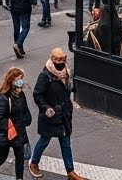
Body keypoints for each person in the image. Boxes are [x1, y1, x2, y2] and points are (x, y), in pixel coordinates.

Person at [29, 48, 85, 180]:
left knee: (65, 143)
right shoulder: (45, 76)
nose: (61, 62)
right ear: (52, 59)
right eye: (58, 59)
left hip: (64, 114)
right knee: (44, 140)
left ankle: (70, 172)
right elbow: (37, 94)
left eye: (63, 59)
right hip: (51, 115)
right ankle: (34, 163)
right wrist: (46, 108)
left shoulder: (66, 72)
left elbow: (68, 89)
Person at [0, 67, 32, 180]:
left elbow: (25, 110)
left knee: (19, 157)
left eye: (21, 78)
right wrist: (11, 127)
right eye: (18, 79)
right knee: (2, 156)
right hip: (7, 134)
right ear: (11, 80)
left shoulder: (21, 94)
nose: (21, 81)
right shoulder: (4, 97)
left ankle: (19, 178)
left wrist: (26, 119)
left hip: (19, 132)